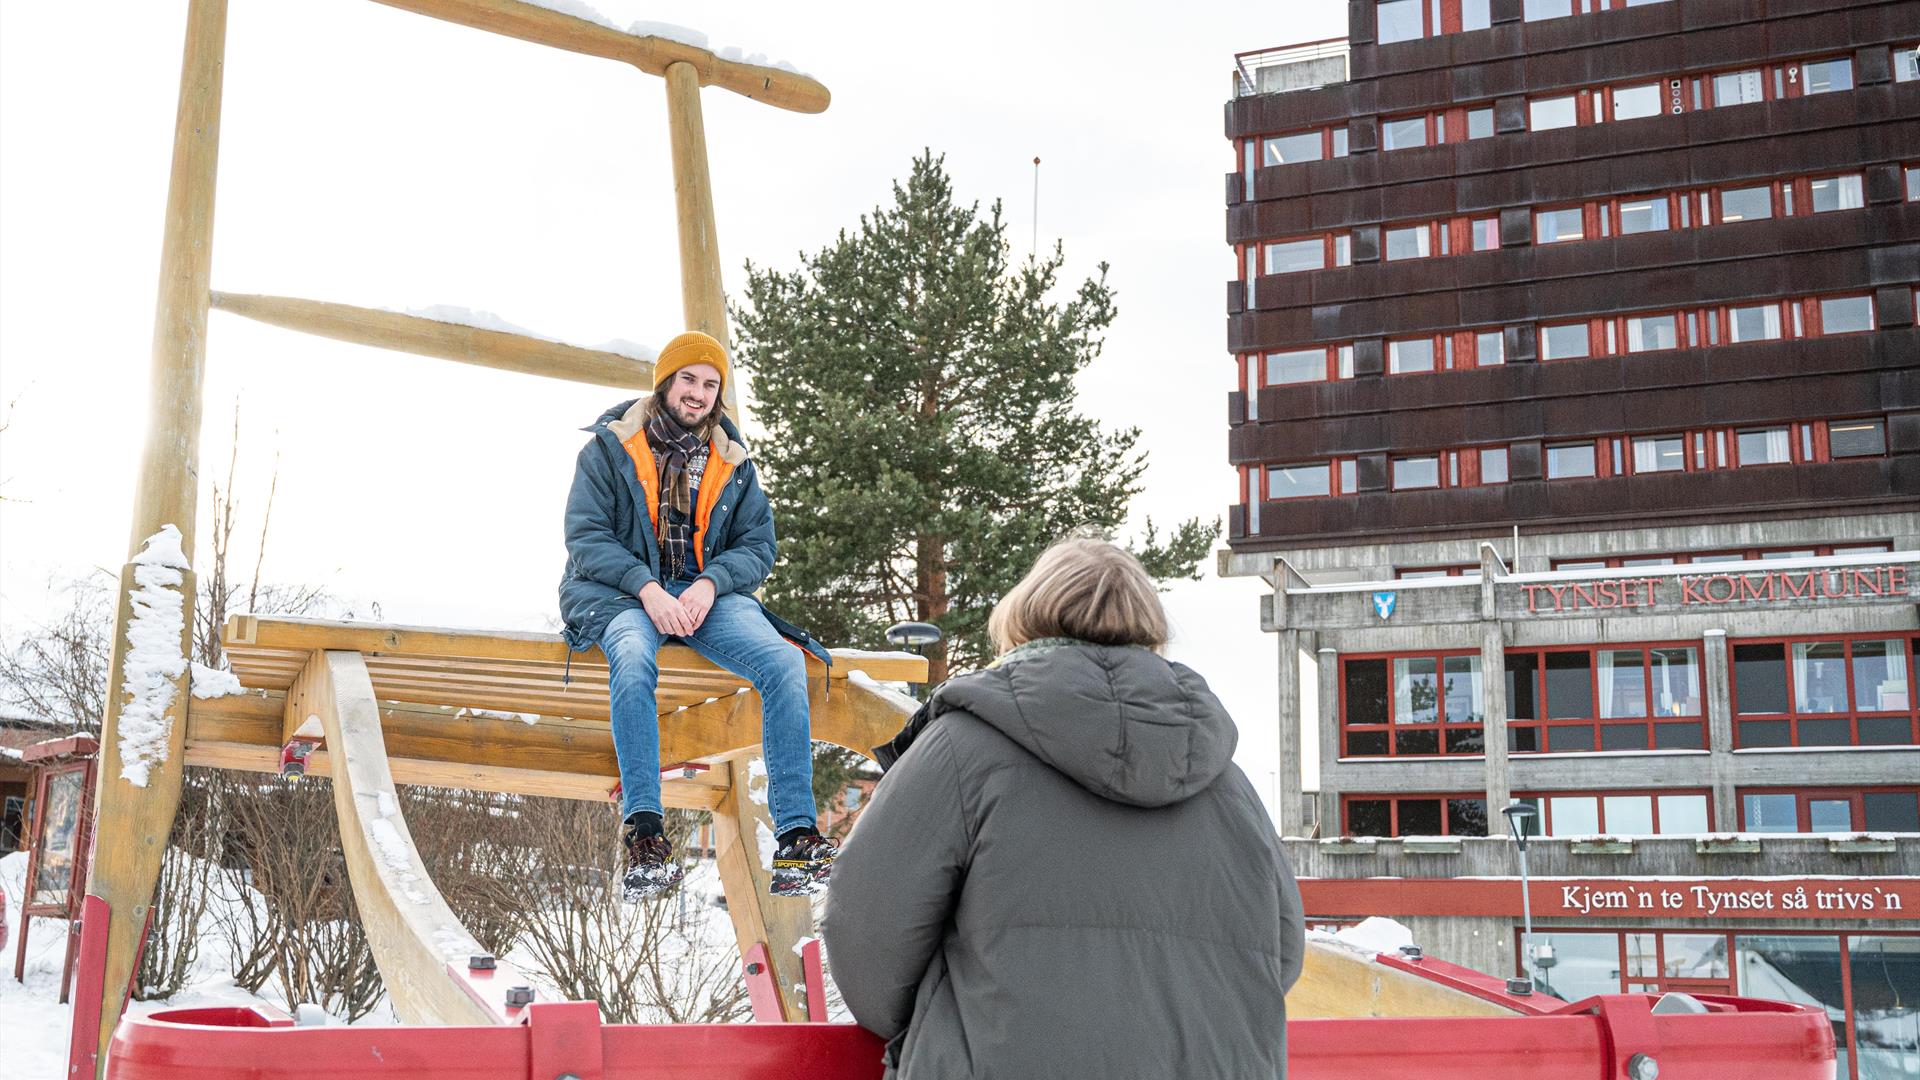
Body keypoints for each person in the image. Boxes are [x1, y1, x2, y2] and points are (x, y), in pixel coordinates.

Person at [823, 538, 1305, 1079]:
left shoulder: (961, 749)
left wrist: (947, 1029)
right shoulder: (1226, 781)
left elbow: (864, 929)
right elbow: (1281, 952)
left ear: (1023, 622)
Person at [559, 330, 838, 900]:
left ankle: (796, 836)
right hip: (619, 592)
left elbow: (757, 545)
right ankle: (645, 834)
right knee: (634, 656)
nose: (699, 393)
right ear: (666, 383)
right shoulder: (609, 449)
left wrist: (712, 584)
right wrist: (646, 589)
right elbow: (586, 537)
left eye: (711, 384)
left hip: (704, 594)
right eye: (689, 379)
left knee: (785, 664)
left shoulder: (733, 462)